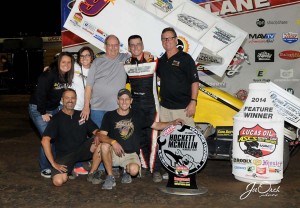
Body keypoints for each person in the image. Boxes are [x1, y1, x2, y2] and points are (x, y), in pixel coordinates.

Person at [86, 88, 184, 190]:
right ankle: (110, 176)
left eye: (127, 99)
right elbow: (101, 135)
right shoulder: (109, 115)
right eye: (121, 99)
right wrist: (113, 142)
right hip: (114, 152)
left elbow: (156, 125)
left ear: (131, 101)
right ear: (117, 101)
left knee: (134, 171)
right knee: (104, 145)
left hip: (130, 154)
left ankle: (126, 170)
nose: (124, 102)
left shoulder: (138, 114)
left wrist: (172, 123)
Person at [41, 88, 101, 187]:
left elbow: (96, 130)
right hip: (65, 156)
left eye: (73, 98)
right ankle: (70, 170)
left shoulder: (82, 115)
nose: (70, 100)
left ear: (76, 99)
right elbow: (45, 140)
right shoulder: (56, 119)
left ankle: (92, 173)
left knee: (102, 141)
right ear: (62, 100)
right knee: (58, 181)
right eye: (67, 98)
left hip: (82, 150)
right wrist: (53, 163)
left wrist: (98, 134)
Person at [28, 52, 75, 178]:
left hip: (53, 108)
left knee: (55, 138)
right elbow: (40, 94)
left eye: (69, 62)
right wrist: (43, 112)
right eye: (63, 62)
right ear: (58, 62)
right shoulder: (49, 74)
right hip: (38, 109)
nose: (66, 64)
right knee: (48, 138)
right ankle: (45, 167)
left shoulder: (66, 75)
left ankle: (55, 162)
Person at [124, 35, 162, 182]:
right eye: (132, 45)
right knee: (140, 139)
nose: (135, 47)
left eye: (138, 44)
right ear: (128, 47)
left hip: (152, 107)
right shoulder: (126, 64)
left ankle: (156, 170)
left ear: (143, 45)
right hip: (136, 108)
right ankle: (145, 167)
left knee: (154, 140)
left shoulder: (153, 60)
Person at [157, 27, 199, 127]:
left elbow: (195, 81)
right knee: (167, 140)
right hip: (164, 109)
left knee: (186, 140)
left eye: (170, 38)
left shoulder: (185, 58)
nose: (166, 41)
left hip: (182, 109)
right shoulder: (161, 60)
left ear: (176, 40)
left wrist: (193, 102)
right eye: (164, 39)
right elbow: (157, 78)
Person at [70, 46, 95, 176]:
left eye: (87, 55)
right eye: (82, 56)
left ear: (92, 57)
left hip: (88, 109)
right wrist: (48, 69)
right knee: (75, 138)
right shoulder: (74, 67)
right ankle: (76, 166)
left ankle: (82, 162)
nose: (85, 58)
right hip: (74, 108)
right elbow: (59, 67)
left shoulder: (95, 70)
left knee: (86, 137)